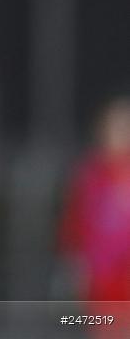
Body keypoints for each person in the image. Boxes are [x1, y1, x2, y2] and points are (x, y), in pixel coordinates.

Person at [57, 97, 130, 338]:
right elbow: (74, 224)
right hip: (101, 277)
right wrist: (74, 263)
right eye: (113, 127)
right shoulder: (89, 176)